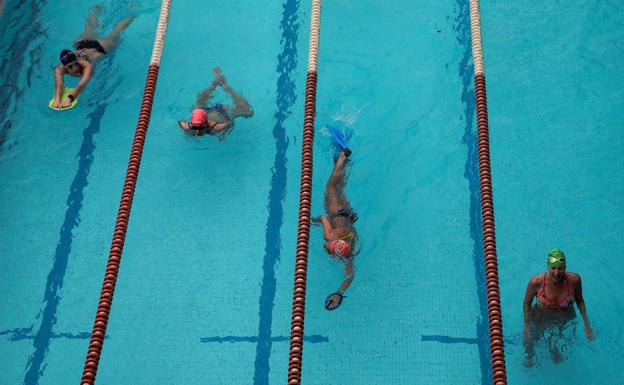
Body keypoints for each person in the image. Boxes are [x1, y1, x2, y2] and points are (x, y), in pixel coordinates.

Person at [522, 248, 594, 366]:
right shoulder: (536, 282)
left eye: (560, 268)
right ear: (548, 267)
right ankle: (529, 357)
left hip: (565, 319)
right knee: (530, 341)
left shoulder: (574, 280)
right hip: (541, 316)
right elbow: (526, 303)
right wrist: (527, 326)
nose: (556, 272)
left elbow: (580, 301)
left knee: (561, 345)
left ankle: (553, 348)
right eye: (553, 268)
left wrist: (587, 324)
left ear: (565, 267)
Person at [52, 6, 134, 109]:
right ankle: (96, 10)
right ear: (64, 66)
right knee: (89, 28)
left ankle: (132, 11)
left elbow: (81, 85)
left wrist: (70, 98)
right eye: (70, 67)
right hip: (81, 43)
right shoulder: (59, 70)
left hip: (100, 48)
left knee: (116, 31)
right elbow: (59, 85)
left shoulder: (87, 66)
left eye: (76, 63)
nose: (75, 68)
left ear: (77, 60)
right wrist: (57, 99)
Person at [313, 149, 358, 310]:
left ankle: (342, 164)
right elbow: (324, 218)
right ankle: (342, 158)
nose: (324, 247)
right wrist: (312, 221)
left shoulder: (349, 252)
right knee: (332, 185)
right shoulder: (329, 236)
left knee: (340, 187)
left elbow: (350, 275)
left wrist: (339, 292)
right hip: (335, 210)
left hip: (348, 213)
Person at [178, 68, 254, 137]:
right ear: (191, 124)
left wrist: (225, 132)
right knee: (197, 105)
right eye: (195, 127)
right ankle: (215, 83)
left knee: (249, 113)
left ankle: (227, 88)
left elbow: (229, 123)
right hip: (205, 111)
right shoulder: (189, 126)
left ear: (206, 123)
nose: (197, 132)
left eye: (201, 127)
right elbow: (180, 122)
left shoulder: (216, 128)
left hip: (223, 112)